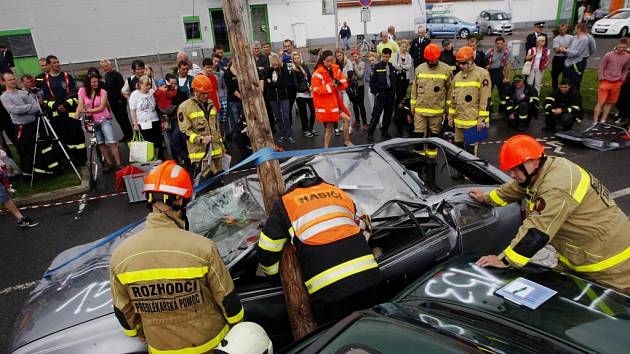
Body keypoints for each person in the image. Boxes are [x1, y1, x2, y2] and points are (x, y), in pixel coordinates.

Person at [110, 160, 244, 352]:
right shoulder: (203, 248)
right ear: (180, 201)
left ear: (149, 198)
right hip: (209, 344)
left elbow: (123, 311)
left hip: (160, 347)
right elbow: (228, 299)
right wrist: (238, 326)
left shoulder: (120, 256)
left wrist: (138, 330)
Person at [471, 135, 630, 295]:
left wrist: (504, 260)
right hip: (584, 256)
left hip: (612, 265)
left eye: (516, 168)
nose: (513, 174)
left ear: (534, 161)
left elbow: (537, 230)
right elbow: (518, 187)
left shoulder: (556, 187)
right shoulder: (544, 169)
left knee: (610, 312)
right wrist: (486, 197)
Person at [256, 168, 382, 324]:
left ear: (292, 187)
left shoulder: (286, 203)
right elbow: (353, 223)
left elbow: (267, 248)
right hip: (369, 277)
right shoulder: (338, 192)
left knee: (337, 340)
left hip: (330, 291)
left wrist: (273, 277)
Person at [38, 55, 86, 165]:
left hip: (71, 113)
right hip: (56, 115)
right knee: (64, 137)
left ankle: (82, 159)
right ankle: (70, 160)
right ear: (49, 64)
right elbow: (44, 98)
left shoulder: (66, 76)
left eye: (58, 62)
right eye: (54, 62)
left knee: (77, 136)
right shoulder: (45, 80)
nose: (57, 64)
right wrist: (56, 106)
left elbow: (75, 93)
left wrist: (65, 105)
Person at [177, 75, 225, 178]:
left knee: (221, 182)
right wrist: (201, 139)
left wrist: (222, 146)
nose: (206, 96)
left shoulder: (211, 104)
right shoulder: (185, 107)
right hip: (202, 155)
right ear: (195, 91)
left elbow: (216, 128)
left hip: (217, 152)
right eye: (203, 93)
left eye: (207, 93)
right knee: (210, 185)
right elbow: (185, 132)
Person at [411, 43, 452, 157]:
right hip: (420, 108)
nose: (432, 61)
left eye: (434, 59)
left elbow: (450, 90)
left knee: (434, 135)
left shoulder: (446, 69)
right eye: (430, 59)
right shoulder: (419, 68)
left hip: (437, 109)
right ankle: (418, 157)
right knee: (418, 134)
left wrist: (448, 107)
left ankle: (431, 158)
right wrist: (412, 104)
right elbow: (414, 87)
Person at [447, 46, 491, 153]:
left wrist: (482, 119)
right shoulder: (457, 77)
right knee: (459, 150)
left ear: (471, 60)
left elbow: (485, 99)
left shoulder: (482, 74)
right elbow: (453, 99)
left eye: (463, 63)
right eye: (459, 63)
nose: (461, 66)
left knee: (471, 152)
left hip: (473, 121)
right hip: (459, 121)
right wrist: (450, 116)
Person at [77, 73, 122, 170]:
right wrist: (78, 113)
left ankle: (119, 164)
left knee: (111, 142)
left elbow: (101, 107)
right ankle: (109, 163)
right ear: (88, 83)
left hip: (104, 119)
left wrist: (86, 110)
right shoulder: (82, 91)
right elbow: (80, 104)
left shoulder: (103, 92)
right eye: (93, 82)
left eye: (97, 81)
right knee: (101, 143)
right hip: (92, 121)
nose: (96, 83)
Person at [1, 72, 39, 176]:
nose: (13, 81)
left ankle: (40, 170)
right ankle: (28, 173)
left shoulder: (23, 93)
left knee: (37, 147)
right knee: (25, 150)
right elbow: (14, 110)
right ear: (3, 82)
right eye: (10, 80)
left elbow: (36, 107)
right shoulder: (4, 97)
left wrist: (25, 109)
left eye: (14, 79)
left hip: (33, 124)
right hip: (21, 127)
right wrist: (28, 107)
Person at [311, 50, 352, 148]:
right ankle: (326, 148)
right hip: (327, 105)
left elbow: (344, 83)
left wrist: (339, 84)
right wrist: (331, 86)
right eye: (328, 61)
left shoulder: (336, 69)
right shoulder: (317, 73)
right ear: (323, 60)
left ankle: (347, 142)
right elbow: (316, 89)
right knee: (330, 127)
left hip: (336, 102)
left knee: (346, 119)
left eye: (331, 60)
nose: (330, 63)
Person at [593, 38, 630, 125]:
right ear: (617, 46)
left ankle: (603, 120)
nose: (621, 49)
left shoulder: (627, 57)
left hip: (617, 82)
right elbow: (602, 67)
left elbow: (626, 69)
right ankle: (594, 122)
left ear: (626, 47)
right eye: (620, 47)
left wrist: (622, 79)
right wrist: (601, 78)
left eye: (624, 47)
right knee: (600, 102)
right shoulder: (608, 55)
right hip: (605, 81)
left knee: (610, 103)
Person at [0, 147, 38, 227]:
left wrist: (6, 185)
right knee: (4, 196)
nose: (3, 160)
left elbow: (4, 173)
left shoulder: (2, 162)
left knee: (4, 197)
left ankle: (21, 218)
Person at [129, 75, 164, 159]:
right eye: (146, 85)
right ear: (140, 84)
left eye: (149, 85)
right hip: (143, 122)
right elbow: (132, 110)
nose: (148, 87)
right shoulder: (135, 94)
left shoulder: (151, 92)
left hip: (154, 120)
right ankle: (149, 160)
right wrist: (135, 124)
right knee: (148, 143)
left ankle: (156, 159)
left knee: (157, 142)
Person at [368, 47, 397, 142]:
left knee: (388, 115)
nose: (385, 58)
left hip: (390, 95)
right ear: (381, 56)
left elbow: (393, 81)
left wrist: (394, 91)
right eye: (383, 56)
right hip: (381, 94)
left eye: (387, 57)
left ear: (389, 57)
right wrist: (376, 92)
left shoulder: (392, 67)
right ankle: (370, 132)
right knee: (376, 115)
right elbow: (372, 82)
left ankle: (385, 130)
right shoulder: (377, 67)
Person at [100, 59, 133, 143]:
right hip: (112, 103)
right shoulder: (107, 75)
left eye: (106, 66)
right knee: (119, 120)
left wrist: (121, 100)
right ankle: (126, 135)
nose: (105, 68)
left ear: (110, 65)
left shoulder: (117, 75)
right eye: (103, 67)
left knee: (124, 120)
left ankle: (130, 136)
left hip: (120, 102)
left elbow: (122, 88)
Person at [265, 53, 294, 145]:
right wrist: (275, 83)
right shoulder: (268, 71)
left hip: (284, 97)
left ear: (278, 63)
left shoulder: (284, 70)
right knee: (278, 117)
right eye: (273, 65)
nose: (274, 66)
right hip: (273, 98)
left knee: (285, 115)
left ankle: (289, 135)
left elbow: (284, 83)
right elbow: (267, 85)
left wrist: (273, 83)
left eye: (276, 64)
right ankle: (282, 134)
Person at [292, 51, 317, 138]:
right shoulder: (293, 70)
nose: (296, 60)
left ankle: (310, 128)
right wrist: (305, 89)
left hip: (310, 93)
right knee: (303, 113)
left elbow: (310, 78)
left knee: (313, 112)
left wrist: (311, 86)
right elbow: (295, 84)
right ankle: (306, 129)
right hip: (301, 95)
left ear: (300, 58)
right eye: (294, 58)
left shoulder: (305, 66)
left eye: (297, 57)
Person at [560, 23, 590, 91]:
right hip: (568, 63)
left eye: (575, 28)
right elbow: (571, 48)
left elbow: (578, 52)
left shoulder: (584, 39)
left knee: (574, 83)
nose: (574, 29)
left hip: (576, 64)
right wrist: (565, 50)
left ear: (579, 29)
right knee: (566, 81)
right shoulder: (575, 37)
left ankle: (574, 98)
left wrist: (565, 51)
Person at [485, 36, 511, 113]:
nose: (499, 45)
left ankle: (502, 110)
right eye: (497, 44)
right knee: (487, 92)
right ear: (495, 44)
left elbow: (508, 65)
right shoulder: (490, 51)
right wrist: (487, 75)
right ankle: (490, 110)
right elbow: (485, 63)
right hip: (491, 72)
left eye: (501, 43)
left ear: (504, 44)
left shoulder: (508, 52)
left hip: (500, 72)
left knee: (504, 92)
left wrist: (505, 77)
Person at [335, 50, 354, 140]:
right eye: (337, 56)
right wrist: (341, 78)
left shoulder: (348, 62)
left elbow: (349, 76)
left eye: (340, 55)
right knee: (341, 109)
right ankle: (344, 124)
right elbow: (335, 77)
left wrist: (340, 78)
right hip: (338, 89)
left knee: (346, 107)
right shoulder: (335, 64)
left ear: (343, 55)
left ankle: (349, 126)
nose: (339, 57)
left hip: (346, 89)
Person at [223, 58, 243, 138]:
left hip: (242, 99)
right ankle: (236, 135)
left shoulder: (241, 71)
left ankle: (242, 133)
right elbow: (231, 88)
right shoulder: (227, 73)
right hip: (233, 99)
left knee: (242, 118)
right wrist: (241, 97)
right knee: (235, 118)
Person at [392, 39, 414, 111]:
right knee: (399, 95)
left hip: (406, 78)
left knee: (404, 95)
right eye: (402, 46)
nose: (404, 48)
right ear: (400, 46)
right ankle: (397, 111)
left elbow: (409, 66)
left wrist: (401, 66)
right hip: (398, 78)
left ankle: (402, 112)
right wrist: (403, 66)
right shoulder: (396, 54)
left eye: (405, 47)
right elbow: (394, 65)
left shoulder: (409, 56)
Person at [551, 24, 573, 90]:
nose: (561, 31)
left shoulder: (571, 37)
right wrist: (566, 47)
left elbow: (573, 47)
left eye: (563, 29)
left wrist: (561, 48)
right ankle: (555, 89)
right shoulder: (556, 39)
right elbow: (556, 50)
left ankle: (565, 89)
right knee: (554, 75)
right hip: (557, 59)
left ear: (566, 29)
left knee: (566, 76)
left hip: (567, 58)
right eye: (560, 29)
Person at [281, 39, 297, 125]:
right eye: (285, 46)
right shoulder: (283, 57)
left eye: (288, 46)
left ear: (292, 46)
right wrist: (280, 57)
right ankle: (289, 126)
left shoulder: (296, 55)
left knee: (302, 108)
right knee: (288, 107)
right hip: (288, 85)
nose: (287, 48)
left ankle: (306, 128)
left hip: (297, 84)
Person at [349, 50, 367, 129]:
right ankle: (357, 121)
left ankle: (365, 123)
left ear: (359, 56)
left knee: (361, 105)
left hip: (360, 86)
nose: (354, 58)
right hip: (353, 87)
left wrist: (354, 66)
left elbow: (360, 75)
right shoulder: (350, 64)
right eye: (353, 57)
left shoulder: (362, 63)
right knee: (354, 105)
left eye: (356, 56)